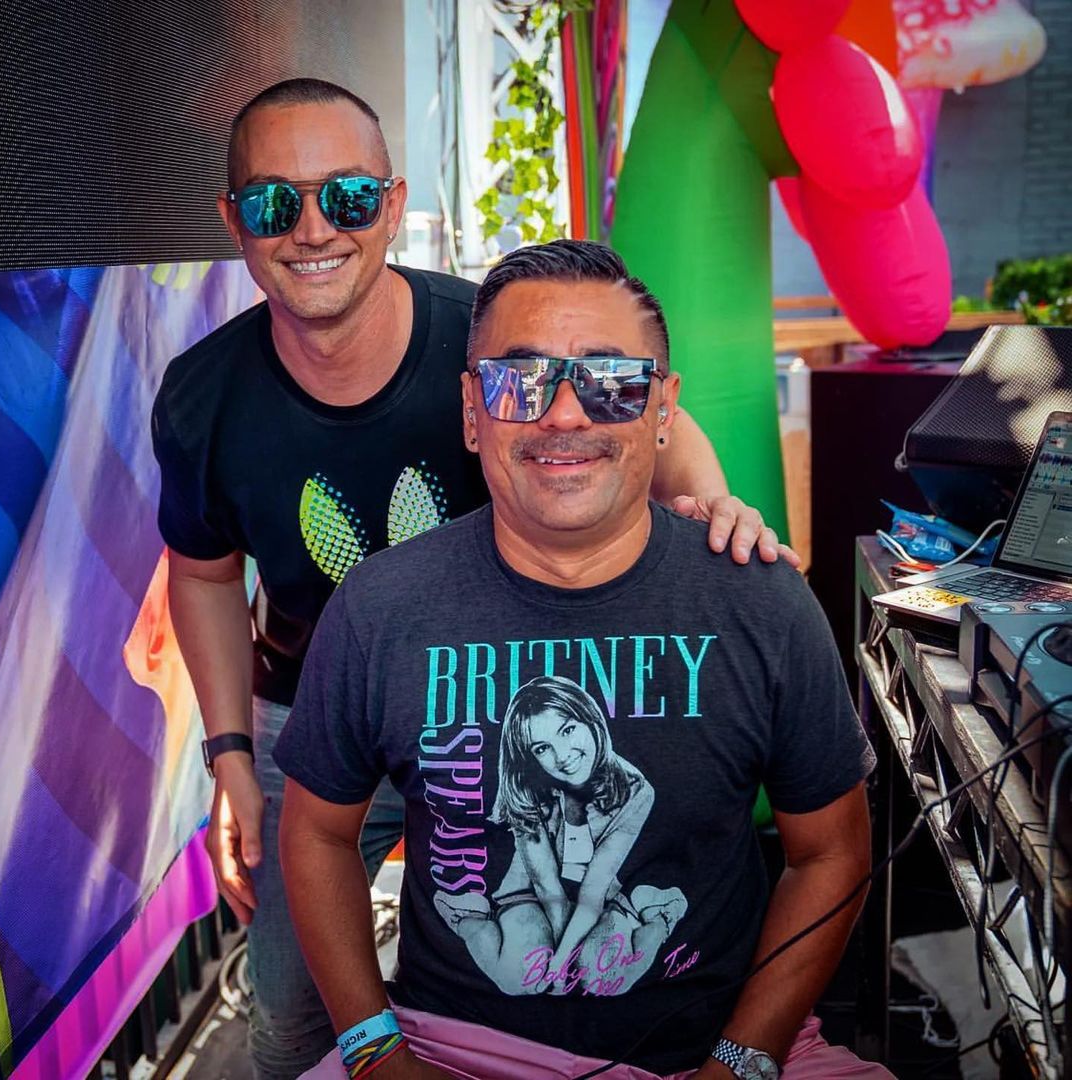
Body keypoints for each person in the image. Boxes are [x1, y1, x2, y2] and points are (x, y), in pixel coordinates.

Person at [150, 80, 794, 1079]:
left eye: (348, 196)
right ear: (235, 220)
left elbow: (646, 426)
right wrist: (230, 752)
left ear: (393, 206)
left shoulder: (492, 340)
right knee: (289, 1011)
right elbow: (202, 577)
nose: (313, 228)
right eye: (276, 202)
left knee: (543, 983)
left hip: (500, 708)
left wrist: (716, 514)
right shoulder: (203, 397)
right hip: (312, 716)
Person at [276, 239, 891, 1080]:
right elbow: (317, 833)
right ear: (472, 410)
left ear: (663, 409)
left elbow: (832, 853)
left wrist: (742, 1057)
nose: (565, 415)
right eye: (520, 381)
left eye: (611, 382)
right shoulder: (381, 608)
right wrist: (375, 1050)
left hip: (720, 1045)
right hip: (447, 1050)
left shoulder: (760, 601)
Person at [435, 675, 686, 998]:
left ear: (590, 719)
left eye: (567, 730)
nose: (563, 755)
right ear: (530, 757)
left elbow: (593, 891)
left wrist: (562, 962)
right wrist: (557, 964)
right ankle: (468, 917)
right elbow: (546, 885)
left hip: (603, 897)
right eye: (542, 748)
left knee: (604, 980)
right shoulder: (527, 787)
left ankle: (660, 915)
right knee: (519, 980)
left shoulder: (635, 790)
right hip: (529, 894)